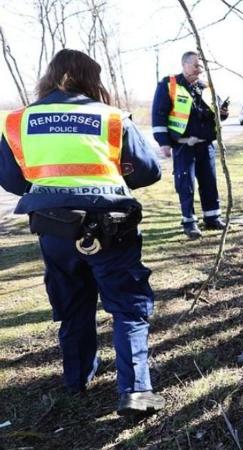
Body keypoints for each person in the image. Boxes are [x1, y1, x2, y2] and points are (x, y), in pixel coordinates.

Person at [0, 49, 164, 415]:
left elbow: (10, 180)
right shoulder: (112, 118)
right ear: (92, 79)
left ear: (51, 76)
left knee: (73, 305)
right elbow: (149, 171)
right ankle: (136, 391)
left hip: (55, 229)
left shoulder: (18, 121)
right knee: (128, 307)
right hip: (112, 229)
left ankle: (76, 381)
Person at [151, 51, 228, 239]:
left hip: (205, 145)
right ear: (184, 65)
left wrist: (223, 112)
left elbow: (216, 114)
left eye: (201, 66)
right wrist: (163, 143)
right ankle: (189, 222)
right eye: (195, 65)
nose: (199, 70)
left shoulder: (206, 87)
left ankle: (212, 218)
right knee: (185, 184)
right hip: (183, 145)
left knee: (209, 181)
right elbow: (158, 114)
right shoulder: (168, 85)